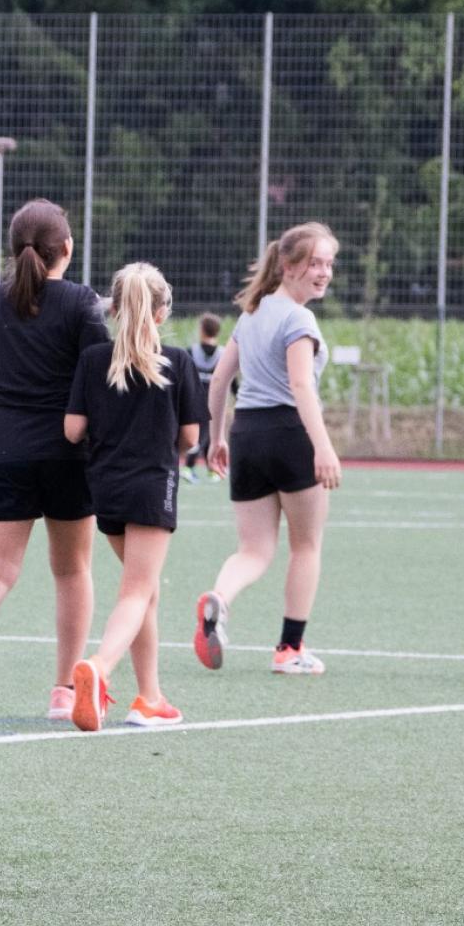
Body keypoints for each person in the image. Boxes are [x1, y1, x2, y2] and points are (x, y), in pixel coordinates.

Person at [0, 198, 109, 727]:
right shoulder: (82, 303)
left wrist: (1, 374)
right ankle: (63, 691)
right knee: (72, 570)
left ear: (14, 251)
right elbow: (100, 374)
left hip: (3, 450)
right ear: (67, 248)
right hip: (67, 452)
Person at [194, 222, 343, 677]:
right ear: (289, 266)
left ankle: (219, 598)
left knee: (253, 550)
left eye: (329, 264)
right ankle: (290, 649)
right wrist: (323, 446)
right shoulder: (299, 319)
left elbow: (219, 381)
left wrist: (217, 437)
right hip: (291, 433)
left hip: (248, 435)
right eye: (315, 263)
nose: (324, 272)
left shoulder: (251, 316)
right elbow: (301, 385)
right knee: (306, 547)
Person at [62, 263, 206, 731]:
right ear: (161, 313)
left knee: (146, 589)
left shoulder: (93, 360)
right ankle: (100, 668)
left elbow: (73, 429)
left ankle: (150, 697)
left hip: (105, 486)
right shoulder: (177, 361)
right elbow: (191, 438)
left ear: (115, 309)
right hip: (152, 486)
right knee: (137, 590)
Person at [183, 312, 224, 483]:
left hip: (193, 399)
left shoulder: (190, 352)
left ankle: (211, 469)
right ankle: (189, 467)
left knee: (204, 434)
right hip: (213, 401)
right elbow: (230, 381)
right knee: (204, 434)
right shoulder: (223, 354)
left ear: (201, 330)